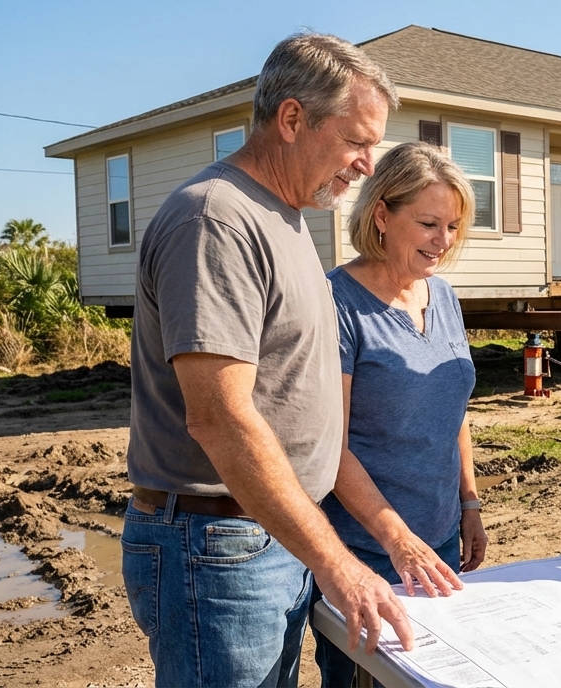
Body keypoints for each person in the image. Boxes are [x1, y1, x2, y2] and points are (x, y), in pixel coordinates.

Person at [121, 33, 414, 687]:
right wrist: (338, 563)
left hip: (266, 538)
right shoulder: (215, 221)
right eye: (357, 141)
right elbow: (219, 419)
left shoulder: (283, 216)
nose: (368, 164)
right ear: (290, 119)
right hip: (217, 548)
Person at [310, 141, 488, 686]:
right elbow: (329, 449)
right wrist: (397, 540)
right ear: (382, 214)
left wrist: (469, 501)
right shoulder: (336, 303)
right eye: (430, 223)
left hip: (437, 548)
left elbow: (453, 409)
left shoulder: (445, 297)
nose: (443, 242)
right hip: (364, 555)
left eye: (453, 226)